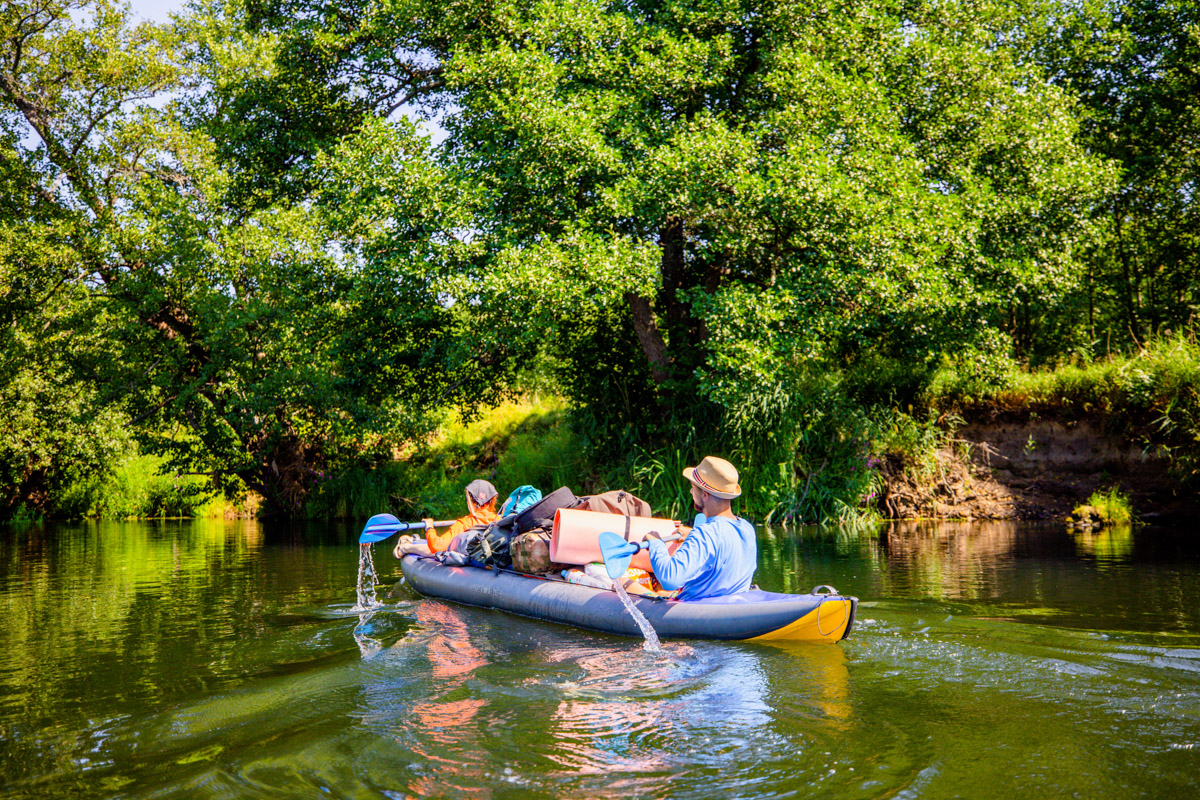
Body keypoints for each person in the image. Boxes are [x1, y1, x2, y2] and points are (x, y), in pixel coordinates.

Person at [646, 456, 756, 600]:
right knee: (660, 592)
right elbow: (720, 541)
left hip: (700, 611)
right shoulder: (747, 528)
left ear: (704, 495)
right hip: (733, 605)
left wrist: (656, 543)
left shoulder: (705, 533)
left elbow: (670, 579)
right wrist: (692, 535)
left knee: (626, 583)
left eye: (693, 488)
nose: (691, 493)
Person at [393, 479, 500, 558]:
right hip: (489, 559)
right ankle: (410, 543)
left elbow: (437, 547)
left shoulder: (464, 524)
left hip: (470, 559)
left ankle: (406, 548)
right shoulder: (500, 520)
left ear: (470, 501)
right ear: (491, 501)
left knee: (442, 550)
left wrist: (429, 527)